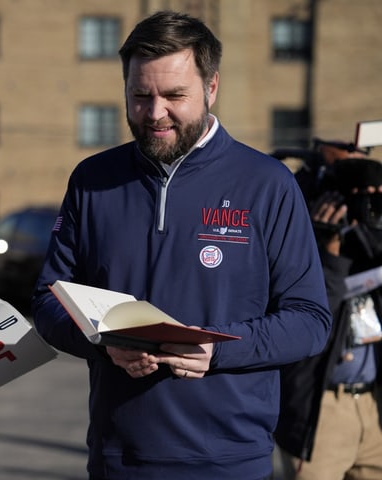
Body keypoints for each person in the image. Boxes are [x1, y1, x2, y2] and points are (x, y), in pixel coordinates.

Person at [31, 10, 332, 480]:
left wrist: (219, 349)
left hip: (232, 462)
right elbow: (48, 304)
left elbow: (310, 321)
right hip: (118, 459)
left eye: (174, 96)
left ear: (212, 88)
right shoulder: (92, 181)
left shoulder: (267, 184)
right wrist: (101, 342)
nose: (155, 114)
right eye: (140, 96)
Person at [275, 157, 382, 479]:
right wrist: (326, 247)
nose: (370, 205)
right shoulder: (301, 242)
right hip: (324, 409)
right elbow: (312, 315)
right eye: (362, 196)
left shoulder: (370, 244)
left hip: (374, 404)